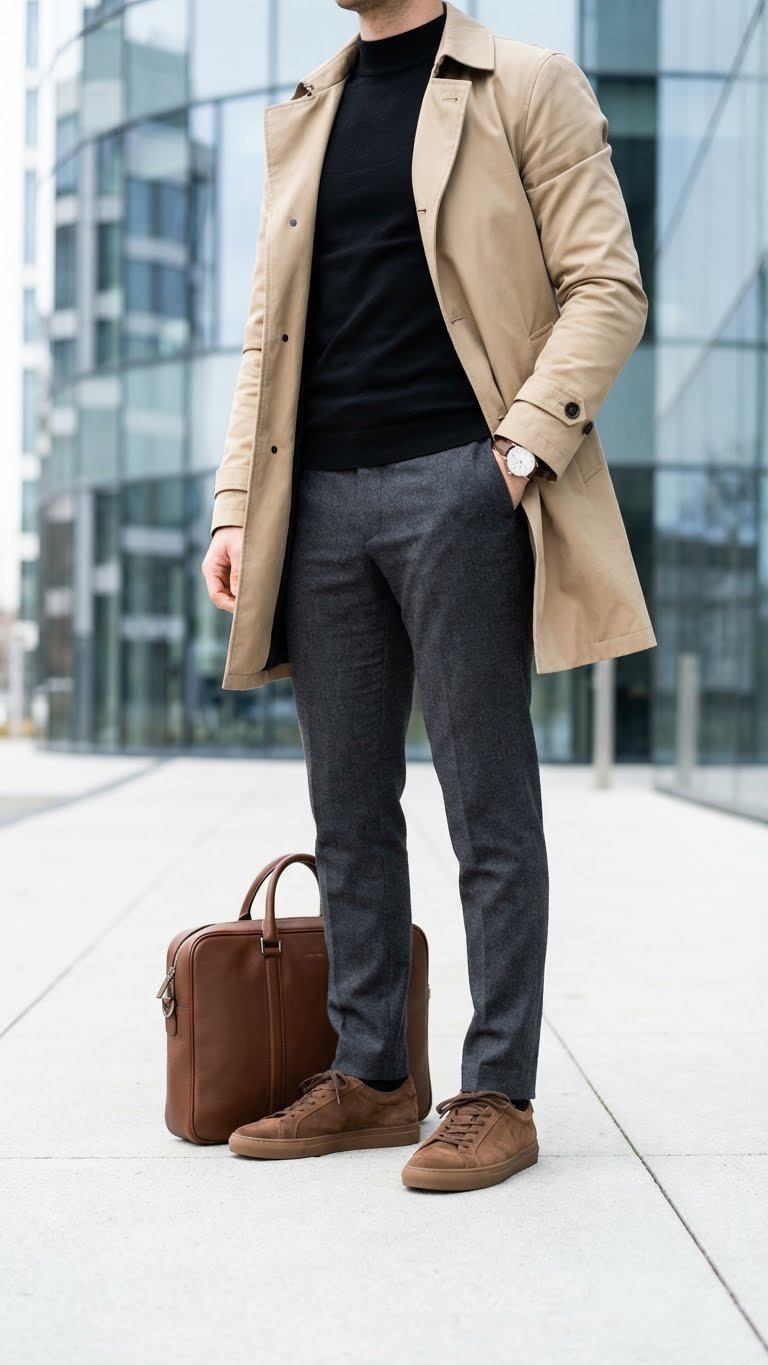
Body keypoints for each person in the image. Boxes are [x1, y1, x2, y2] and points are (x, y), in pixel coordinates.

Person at [202, 0, 655, 1193]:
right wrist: (238, 505)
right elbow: (270, 337)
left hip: (461, 486)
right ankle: (372, 1076)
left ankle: (496, 1092)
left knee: (484, 801)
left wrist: (509, 459)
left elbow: (606, 286)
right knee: (347, 806)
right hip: (320, 508)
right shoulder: (309, 113)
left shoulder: (526, 84)